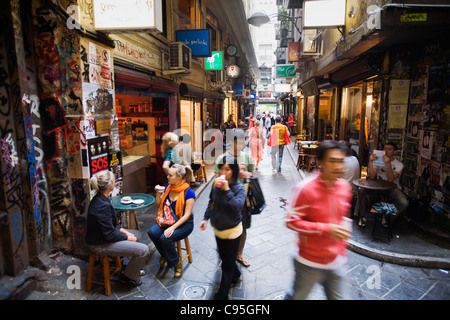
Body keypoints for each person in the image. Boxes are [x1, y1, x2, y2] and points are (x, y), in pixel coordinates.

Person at [285, 140, 353, 300]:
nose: (338, 166)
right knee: (297, 297)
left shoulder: (344, 187)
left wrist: (343, 242)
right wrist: (326, 229)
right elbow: (291, 221)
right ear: (320, 162)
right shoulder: (305, 189)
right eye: (332, 161)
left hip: (336, 260)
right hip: (309, 261)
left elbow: (342, 216)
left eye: (341, 161)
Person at [86, 170, 149, 287]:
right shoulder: (101, 206)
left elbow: (113, 225)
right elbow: (109, 235)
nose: (115, 181)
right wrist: (126, 237)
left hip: (105, 237)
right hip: (100, 245)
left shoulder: (102, 198)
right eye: (113, 180)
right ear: (110, 185)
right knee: (144, 250)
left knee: (136, 234)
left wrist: (126, 233)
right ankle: (128, 278)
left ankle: (129, 268)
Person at [200, 156, 247, 300]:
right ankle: (237, 275)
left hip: (232, 231)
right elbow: (211, 201)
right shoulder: (216, 183)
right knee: (225, 257)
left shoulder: (239, 188)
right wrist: (205, 218)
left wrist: (227, 190)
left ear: (233, 170)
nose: (223, 172)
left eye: (227, 169)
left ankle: (222, 296)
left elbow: (236, 208)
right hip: (218, 229)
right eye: (221, 168)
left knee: (226, 266)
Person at [214, 129, 254, 267]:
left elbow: (251, 172)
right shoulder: (222, 159)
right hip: (224, 199)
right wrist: (235, 172)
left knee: (243, 227)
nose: (242, 145)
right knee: (222, 225)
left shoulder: (246, 157)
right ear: (231, 142)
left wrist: (246, 174)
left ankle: (239, 253)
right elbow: (216, 178)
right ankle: (223, 250)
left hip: (241, 199)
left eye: (243, 142)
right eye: (239, 142)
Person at [147, 165, 195, 278]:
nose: (167, 177)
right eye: (168, 174)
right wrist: (158, 193)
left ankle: (176, 263)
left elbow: (186, 215)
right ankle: (166, 254)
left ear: (179, 177)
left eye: (170, 175)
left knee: (165, 237)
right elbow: (159, 205)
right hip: (168, 220)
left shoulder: (189, 192)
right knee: (152, 232)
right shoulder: (169, 188)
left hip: (184, 224)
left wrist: (172, 228)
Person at [367, 142, 409, 221]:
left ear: (395, 152)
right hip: (378, 187)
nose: (386, 151)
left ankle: (388, 218)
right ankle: (361, 217)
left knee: (404, 202)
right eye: (385, 149)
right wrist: (371, 162)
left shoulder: (399, 164)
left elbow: (390, 179)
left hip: (392, 188)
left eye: (390, 149)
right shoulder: (379, 160)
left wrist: (388, 164)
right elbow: (372, 176)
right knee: (360, 191)